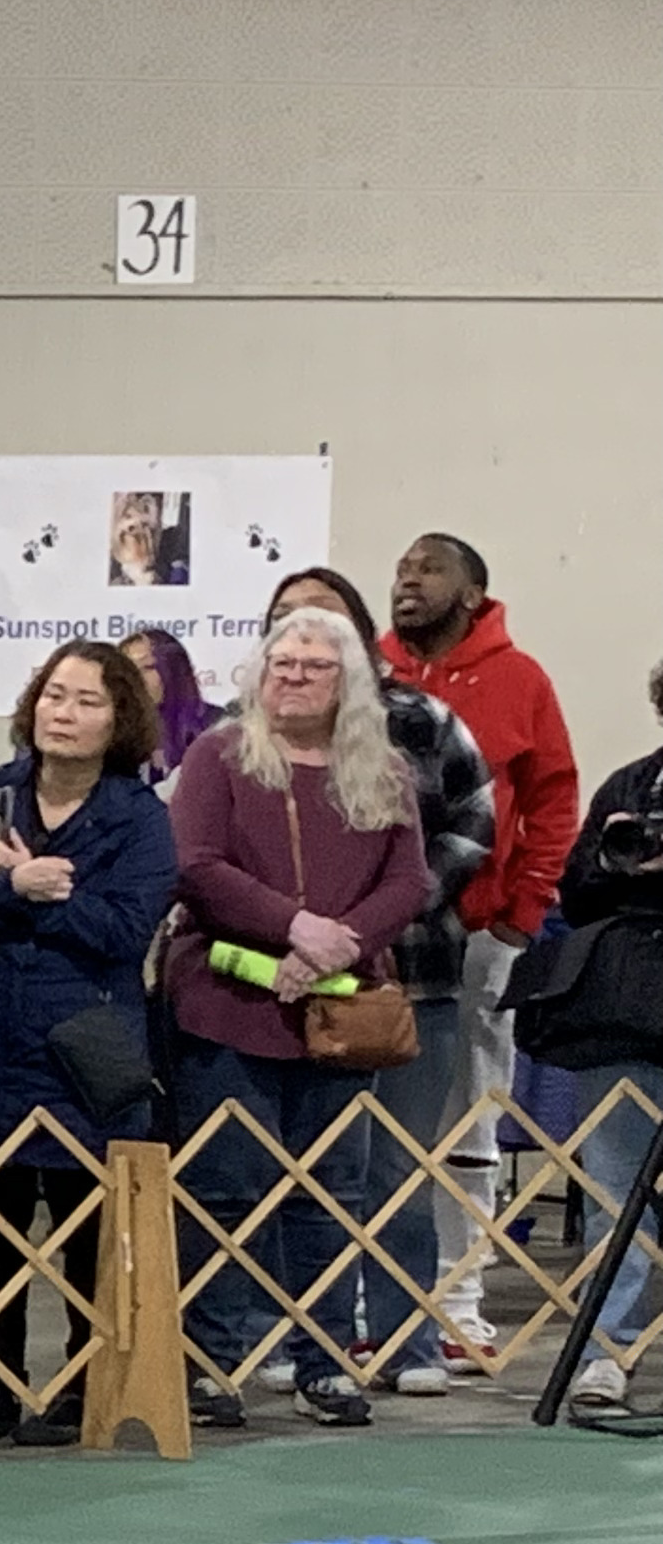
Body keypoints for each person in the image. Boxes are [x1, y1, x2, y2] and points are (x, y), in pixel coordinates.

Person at [160, 607, 431, 1428]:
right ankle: (211, 1364)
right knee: (223, 1190)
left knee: (331, 1193)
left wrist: (337, 947)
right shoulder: (218, 757)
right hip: (227, 1003)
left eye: (314, 665)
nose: (294, 675)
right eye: (282, 662)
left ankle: (323, 1362)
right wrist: (292, 930)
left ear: (346, 682)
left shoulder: (382, 771)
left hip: (340, 1013)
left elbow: (408, 880)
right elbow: (195, 865)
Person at [259, 565, 495, 1393]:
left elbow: (472, 825)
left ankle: (407, 1344)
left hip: (410, 980)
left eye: (323, 621)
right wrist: (298, 932)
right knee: (302, 1169)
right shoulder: (242, 736)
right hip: (281, 985)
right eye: (286, 621)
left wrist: (375, 922)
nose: (303, 636)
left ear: (359, 637)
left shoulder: (422, 722)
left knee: (397, 1167)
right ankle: (298, 1342)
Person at [0, 641, 175, 1445]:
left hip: (87, 1043)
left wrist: (34, 888)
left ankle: (81, 1383)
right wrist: (12, 886)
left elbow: (123, 928)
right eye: (54, 695)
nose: (63, 713)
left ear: (119, 721)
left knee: (83, 1227)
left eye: (86, 701)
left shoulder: (141, 818)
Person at [380, 533, 581, 1361]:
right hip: (380, 934)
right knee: (378, 1125)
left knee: (467, 1117)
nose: (406, 582)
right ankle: (376, 1303)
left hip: (479, 932)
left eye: (426, 569)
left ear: (471, 592)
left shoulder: (519, 678)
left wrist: (521, 911)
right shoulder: (371, 673)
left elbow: (556, 798)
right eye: (399, 570)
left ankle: (458, 1301)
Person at [542, 660, 663, 1409]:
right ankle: (605, 1351)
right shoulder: (628, 788)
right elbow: (578, 893)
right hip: (627, 1005)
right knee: (613, 1188)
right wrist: (628, 867)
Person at [119, 627, 215, 776]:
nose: (136, 678)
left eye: (148, 667)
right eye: (128, 670)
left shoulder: (216, 728)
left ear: (174, 670)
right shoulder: (115, 735)